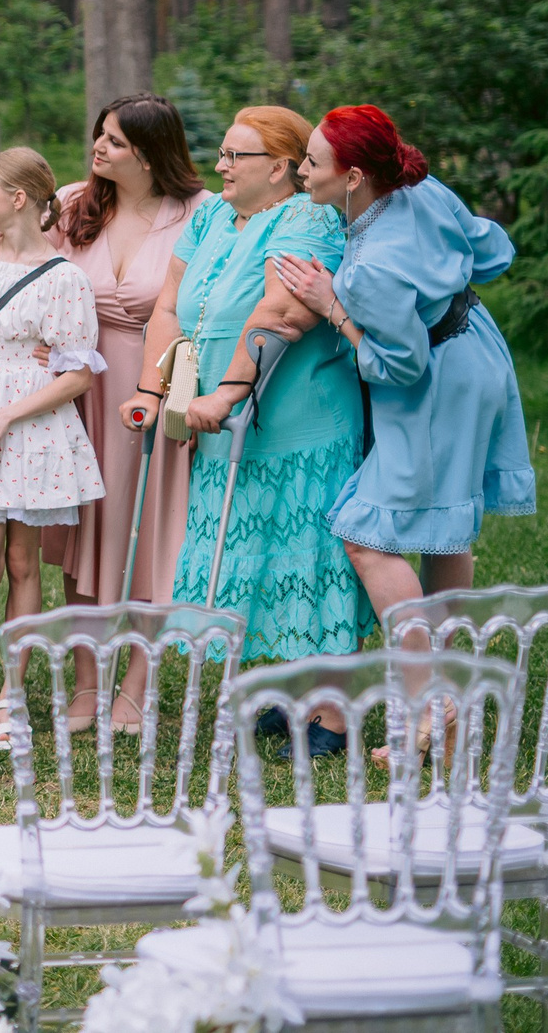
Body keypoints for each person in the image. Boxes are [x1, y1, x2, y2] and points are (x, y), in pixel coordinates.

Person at [123, 107, 370, 749]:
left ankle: (336, 708)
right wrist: (155, 390)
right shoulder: (209, 215)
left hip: (300, 423)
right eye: (223, 154)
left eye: (237, 156)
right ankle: (292, 690)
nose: (221, 166)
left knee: (309, 560)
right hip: (223, 427)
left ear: (281, 168)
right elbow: (170, 304)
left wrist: (228, 392)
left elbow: (283, 310)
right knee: (258, 559)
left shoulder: (308, 218)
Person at [274, 105, 530, 623]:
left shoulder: (369, 270)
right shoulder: (419, 186)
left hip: (440, 381)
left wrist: (333, 307)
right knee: (445, 527)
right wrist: (440, 278)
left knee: (363, 539)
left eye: (312, 162)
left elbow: (402, 366)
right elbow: (490, 251)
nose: (300, 171)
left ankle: (425, 687)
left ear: (352, 177)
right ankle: (443, 686)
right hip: (480, 348)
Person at [0, 147, 105, 753]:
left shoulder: (65, 278)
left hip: (33, 429)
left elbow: (77, 373)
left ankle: (15, 693)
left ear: (17, 199)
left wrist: (7, 414)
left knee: (21, 562)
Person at [46, 97, 205, 624]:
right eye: (100, 134)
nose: (98, 146)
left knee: (150, 526)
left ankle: (137, 683)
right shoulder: (72, 204)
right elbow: (28, 274)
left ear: (148, 156)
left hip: (154, 383)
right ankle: (89, 679)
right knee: (84, 529)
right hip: (78, 388)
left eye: (114, 141)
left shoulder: (199, 213)